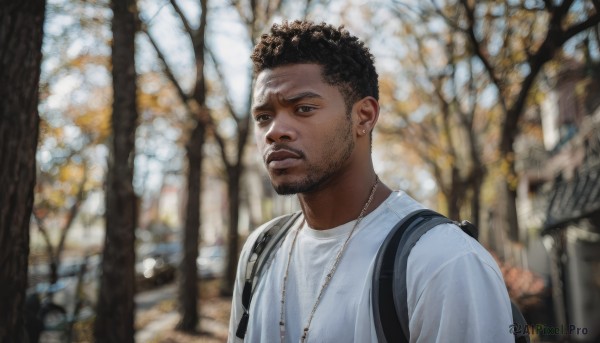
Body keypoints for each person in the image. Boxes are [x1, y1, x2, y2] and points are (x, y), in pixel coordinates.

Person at [228, 20, 514, 343]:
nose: (274, 131)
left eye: (303, 108)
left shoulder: (442, 262)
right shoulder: (259, 252)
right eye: (263, 116)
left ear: (363, 116)